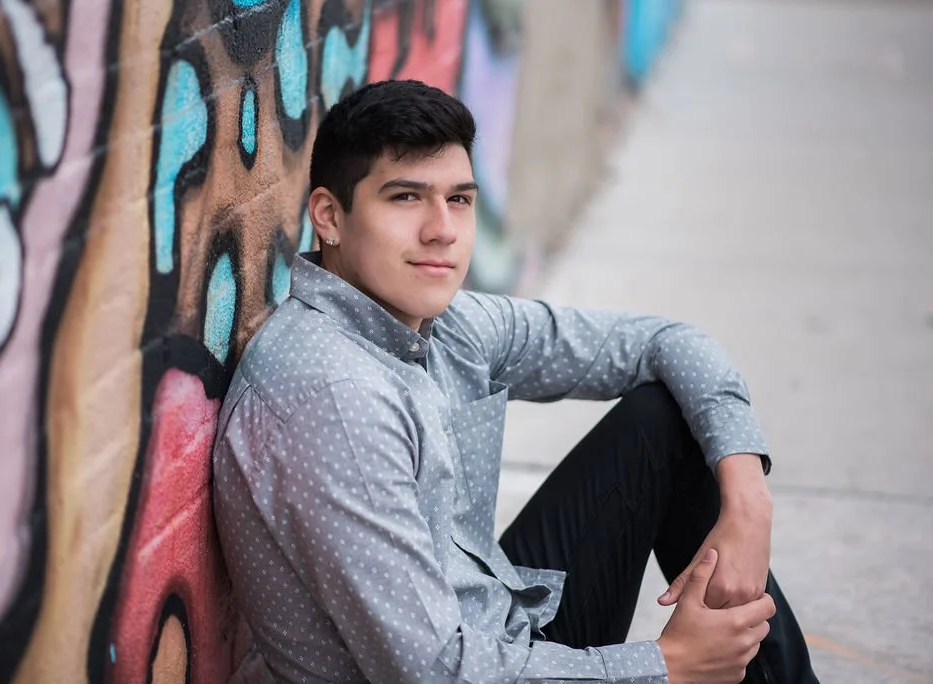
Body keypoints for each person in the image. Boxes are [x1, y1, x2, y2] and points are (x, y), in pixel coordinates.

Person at [212, 79, 818, 683]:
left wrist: (749, 500)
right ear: (330, 216)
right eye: (405, 198)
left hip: (497, 627)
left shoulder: (442, 324)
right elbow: (436, 671)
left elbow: (664, 343)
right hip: (449, 669)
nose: (441, 230)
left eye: (460, 200)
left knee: (667, 422)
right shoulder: (335, 401)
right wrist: (668, 666)